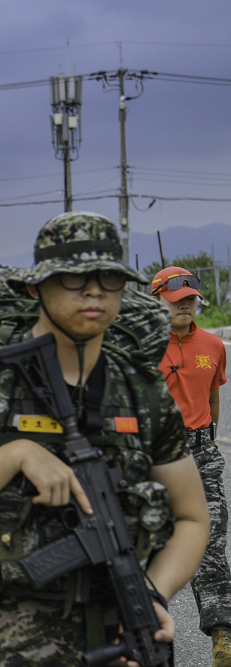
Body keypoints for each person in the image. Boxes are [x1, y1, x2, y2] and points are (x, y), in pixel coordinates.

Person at [0, 212, 210, 666]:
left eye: (109, 277)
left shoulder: (141, 391)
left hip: (115, 641)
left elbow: (192, 518)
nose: (93, 290)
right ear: (34, 288)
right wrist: (16, 455)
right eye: (72, 277)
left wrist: (152, 594)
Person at [153, 265, 231, 665]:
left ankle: (223, 635)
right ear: (157, 302)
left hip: (201, 453)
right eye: (175, 301)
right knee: (148, 546)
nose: (184, 307)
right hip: (154, 457)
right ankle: (150, 642)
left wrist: (211, 438)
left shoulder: (213, 346)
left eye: (189, 301)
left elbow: (214, 394)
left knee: (212, 538)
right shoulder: (143, 346)